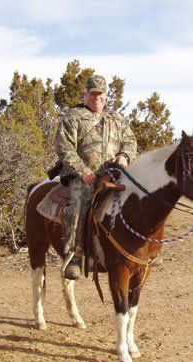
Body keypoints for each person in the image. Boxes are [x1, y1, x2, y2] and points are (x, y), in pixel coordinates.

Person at [55, 74, 137, 279]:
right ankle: (73, 254)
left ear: (106, 96)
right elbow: (64, 148)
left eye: (100, 95)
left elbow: (130, 142)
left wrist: (125, 157)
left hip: (113, 173)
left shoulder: (117, 119)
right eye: (93, 94)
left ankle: (137, 246)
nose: (97, 98)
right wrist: (82, 171)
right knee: (79, 201)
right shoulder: (73, 116)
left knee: (137, 197)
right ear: (85, 95)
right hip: (83, 175)